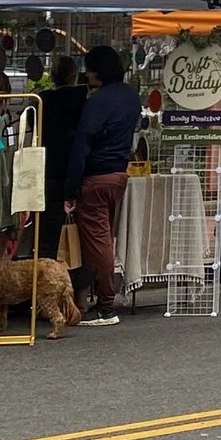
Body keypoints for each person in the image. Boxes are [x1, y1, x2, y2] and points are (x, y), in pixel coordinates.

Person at [66, 46, 138, 326]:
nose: (86, 74)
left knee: (98, 243)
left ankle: (106, 305)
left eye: (88, 69)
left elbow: (82, 143)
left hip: (95, 177)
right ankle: (102, 299)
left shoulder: (97, 102)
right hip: (118, 173)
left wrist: (70, 189)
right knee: (104, 238)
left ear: (98, 70)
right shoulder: (130, 97)